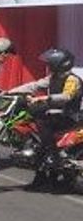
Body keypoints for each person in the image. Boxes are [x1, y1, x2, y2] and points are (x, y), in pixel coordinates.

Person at [6, 47, 82, 189]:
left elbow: (66, 96)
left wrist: (45, 98)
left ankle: (52, 154)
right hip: (55, 114)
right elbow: (34, 85)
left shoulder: (72, 79)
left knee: (43, 124)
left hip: (68, 116)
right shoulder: (53, 78)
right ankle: (41, 178)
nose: (48, 66)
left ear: (59, 64)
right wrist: (11, 91)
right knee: (34, 127)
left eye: (51, 64)